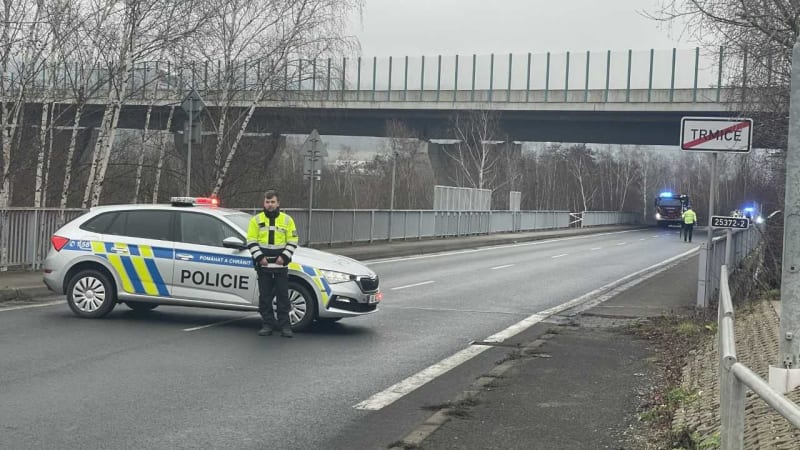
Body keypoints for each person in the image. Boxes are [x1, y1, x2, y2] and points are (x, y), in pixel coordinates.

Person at [246, 190, 299, 338]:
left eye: (272, 202)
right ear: (264, 203)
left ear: (278, 203)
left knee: (283, 297)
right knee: (265, 297)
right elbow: (251, 240)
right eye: (267, 202)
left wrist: (284, 256)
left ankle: (285, 326)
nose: (270, 205)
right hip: (263, 266)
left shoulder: (287, 220)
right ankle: (267, 324)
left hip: (281, 265)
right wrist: (259, 257)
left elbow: (293, 240)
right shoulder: (256, 220)